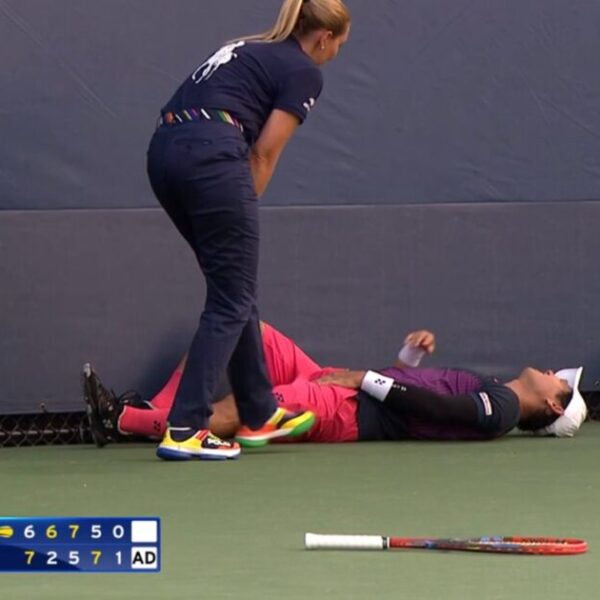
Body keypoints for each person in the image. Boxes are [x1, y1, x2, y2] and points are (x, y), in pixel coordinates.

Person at [145, 0, 351, 460]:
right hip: (213, 157)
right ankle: (185, 427)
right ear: (322, 38)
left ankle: (258, 410)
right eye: (338, 45)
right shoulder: (304, 69)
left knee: (233, 287)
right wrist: (240, 207)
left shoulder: (246, 49)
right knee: (232, 296)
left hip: (164, 153)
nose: (335, 54)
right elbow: (263, 153)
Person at [82, 322, 587, 447]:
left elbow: (435, 409)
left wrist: (364, 378)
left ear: (550, 402)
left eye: (556, 380)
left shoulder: (499, 410)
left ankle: (126, 421)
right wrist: (404, 360)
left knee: (245, 408)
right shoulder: (494, 392)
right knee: (241, 327)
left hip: (348, 411)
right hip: (346, 387)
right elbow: (414, 390)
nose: (549, 370)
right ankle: (154, 410)